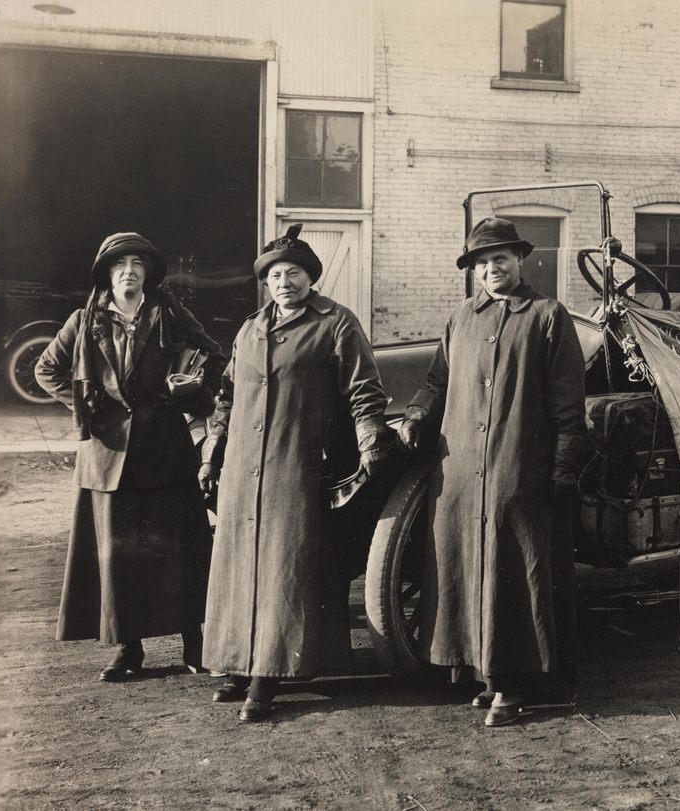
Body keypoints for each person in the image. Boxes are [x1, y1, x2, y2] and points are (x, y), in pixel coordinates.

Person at [198, 224, 392, 723]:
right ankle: (238, 664)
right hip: (244, 466)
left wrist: (371, 440)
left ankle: (269, 677)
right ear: (266, 283)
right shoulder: (249, 328)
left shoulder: (337, 323)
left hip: (297, 462)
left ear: (311, 278)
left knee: (285, 565)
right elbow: (227, 397)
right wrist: (211, 453)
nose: (285, 282)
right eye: (276, 275)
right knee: (241, 564)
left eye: (295, 273)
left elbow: (364, 388)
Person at [398, 217, 586, 728]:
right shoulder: (461, 318)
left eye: (499, 259)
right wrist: (416, 414)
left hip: (517, 466)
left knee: (514, 568)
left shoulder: (548, 316)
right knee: (466, 565)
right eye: (481, 263)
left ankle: (514, 684)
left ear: (520, 260)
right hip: (459, 467)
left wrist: (565, 463)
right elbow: (437, 380)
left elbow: (569, 402)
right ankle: (483, 674)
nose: (490, 269)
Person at [34, 232, 224, 681]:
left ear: (148, 274)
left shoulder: (169, 313)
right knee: (117, 557)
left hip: (165, 451)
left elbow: (214, 357)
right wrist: (85, 404)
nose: (129, 271)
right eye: (120, 264)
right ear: (107, 274)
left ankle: (195, 643)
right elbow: (47, 370)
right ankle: (127, 649)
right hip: (107, 455)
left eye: (137, 263)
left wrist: (191, 393)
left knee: (179, 550)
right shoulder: (84, 320)